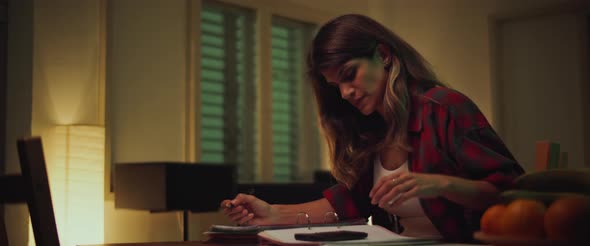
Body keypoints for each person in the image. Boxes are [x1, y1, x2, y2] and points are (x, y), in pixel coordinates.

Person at [220, 14, 524, 242]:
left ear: (384, 55)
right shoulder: (370, 127)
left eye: (349, 75)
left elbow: (511, 192)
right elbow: (349, 202)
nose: (345, 93)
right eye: (336, 85)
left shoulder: (444, 108)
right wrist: (272, 213)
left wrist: (441, 184)